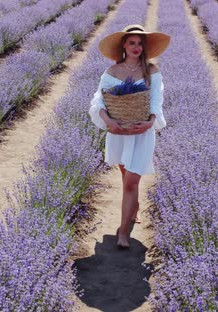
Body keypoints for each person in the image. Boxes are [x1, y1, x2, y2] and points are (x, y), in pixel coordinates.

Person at [88, 24, 170, 249]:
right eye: (132, 42)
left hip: (142, 132)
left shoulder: (151, 71)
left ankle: (123, 233)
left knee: (131, 183)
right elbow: (99, 100)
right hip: (119, 131)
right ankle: (134, 207)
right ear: (123, 44)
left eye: (140, 43)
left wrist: (151, 121)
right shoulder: (111, 72)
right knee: (125, 172)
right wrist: (108, 121)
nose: (136, 47)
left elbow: (156, 100)